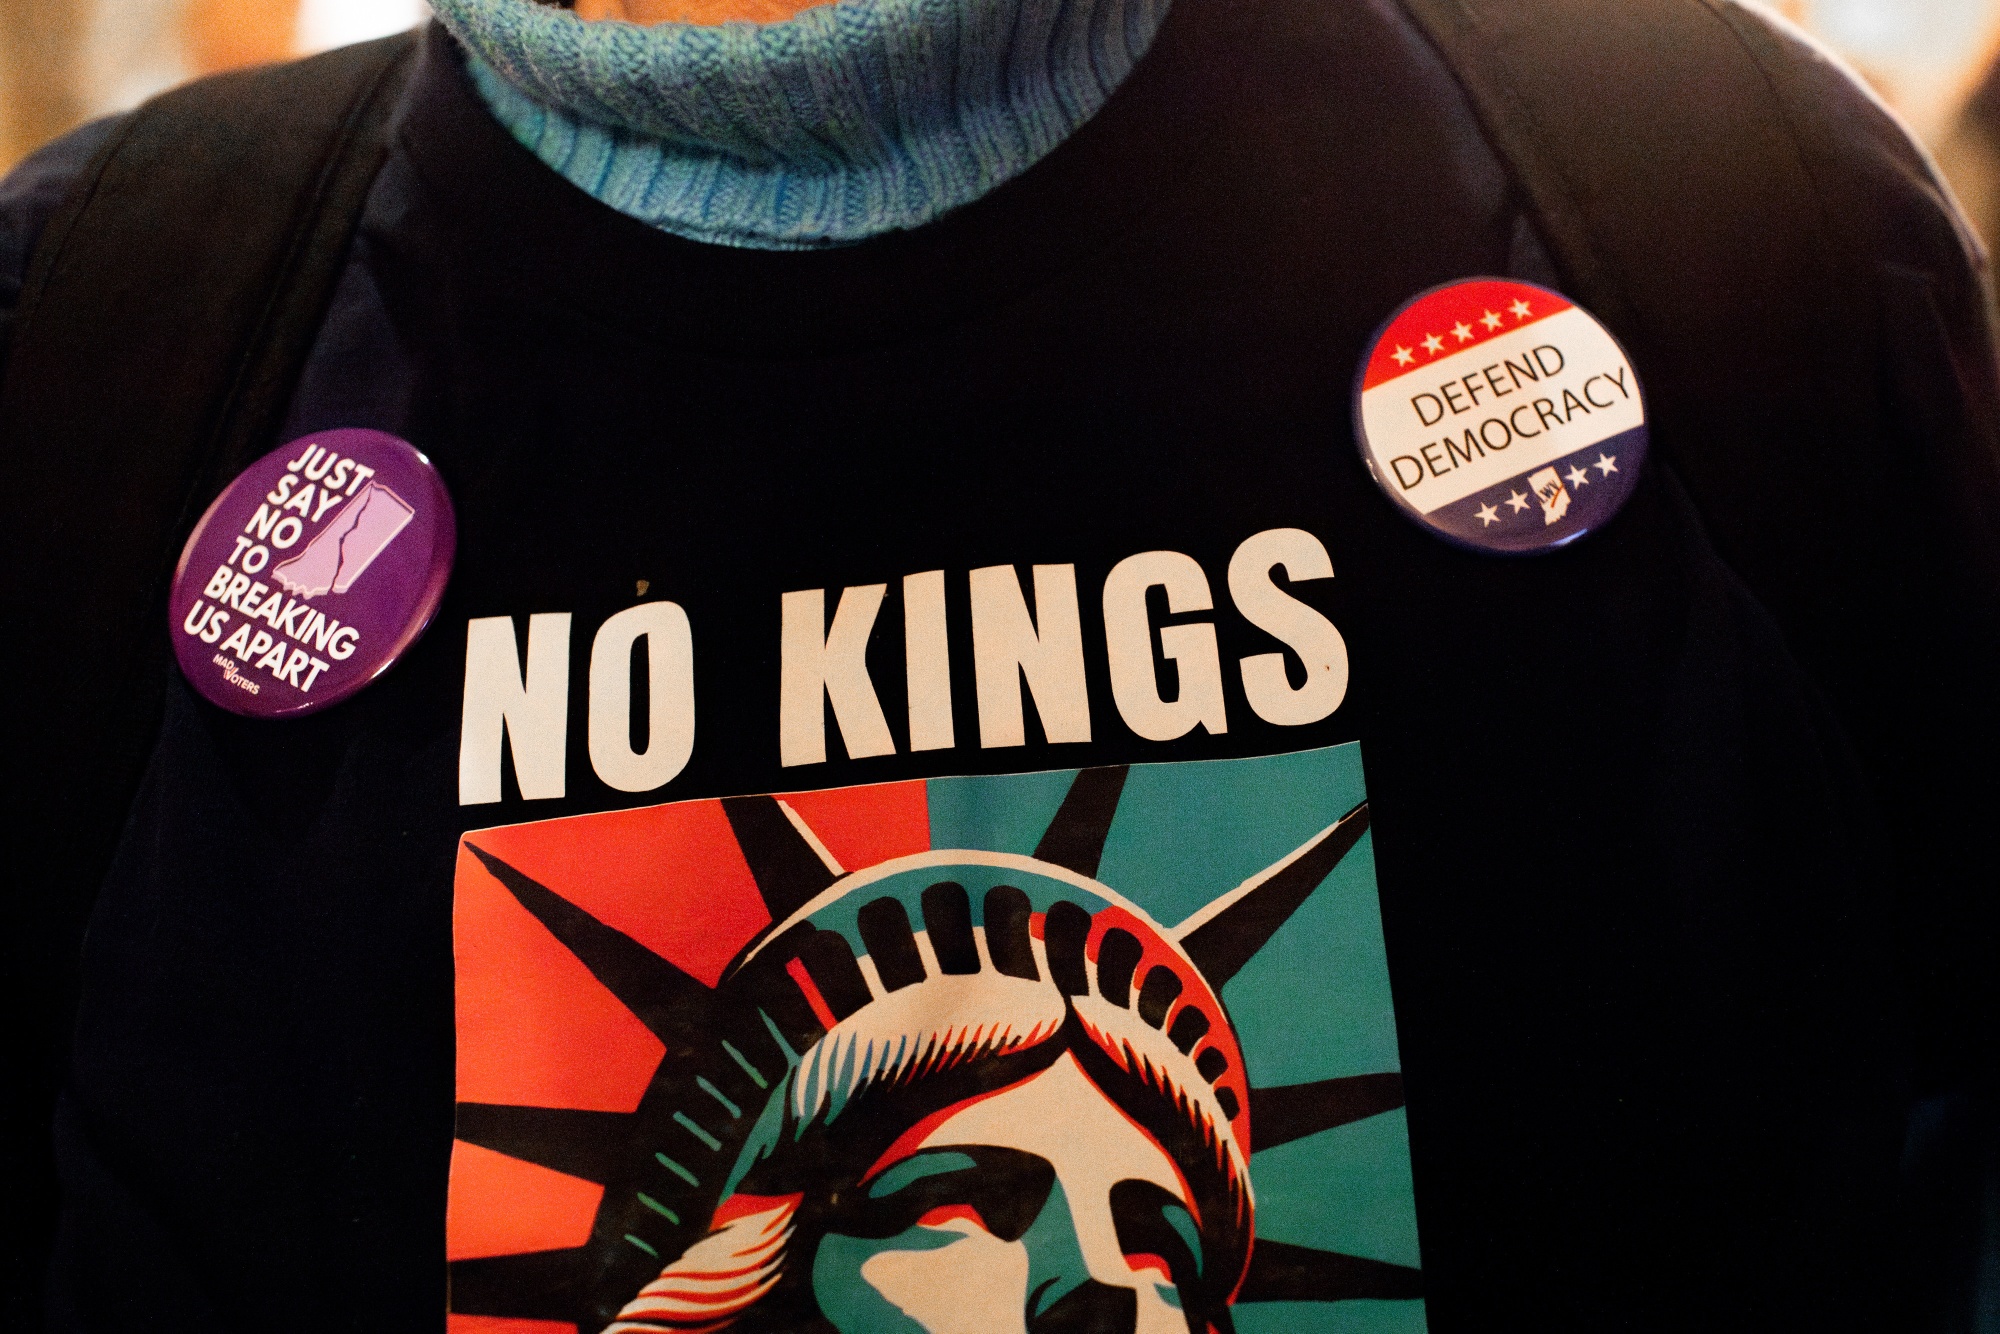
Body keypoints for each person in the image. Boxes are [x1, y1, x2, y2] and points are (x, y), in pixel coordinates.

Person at [1, 0, 1996, 1330]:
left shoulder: (1735, 225)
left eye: (1149, 1231)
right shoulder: (100, 338)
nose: (1098, 1293)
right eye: (959, 1200)